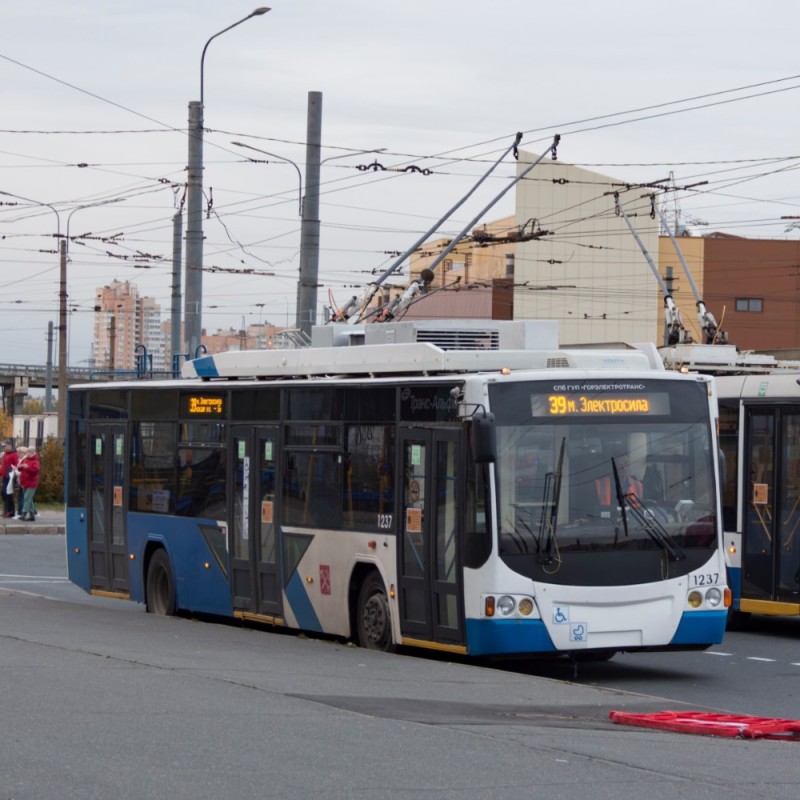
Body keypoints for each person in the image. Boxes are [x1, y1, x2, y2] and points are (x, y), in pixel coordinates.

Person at [16, 446, 40, 522]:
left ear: (32, 453)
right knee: (29, 499)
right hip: (25, 482)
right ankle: (32, 514)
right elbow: (20, 468)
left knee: (26, 498)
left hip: (32, 483)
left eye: (28, 452)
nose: (27, 453)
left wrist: (27, 467)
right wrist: (20, 466)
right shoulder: (26, 459)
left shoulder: (35, 461)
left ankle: (24, 513)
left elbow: (35, 471)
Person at [0, 442, 19, 518]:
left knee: (7, 493)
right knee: (3, 493)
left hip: (10, 476)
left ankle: (11, 512)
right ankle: (7, 510)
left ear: (9, 446)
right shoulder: (5, 454)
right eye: (3, 447)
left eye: (5, 446)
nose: (3, 448)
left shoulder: (13, 454)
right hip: (5, 476)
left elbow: (17, 464)